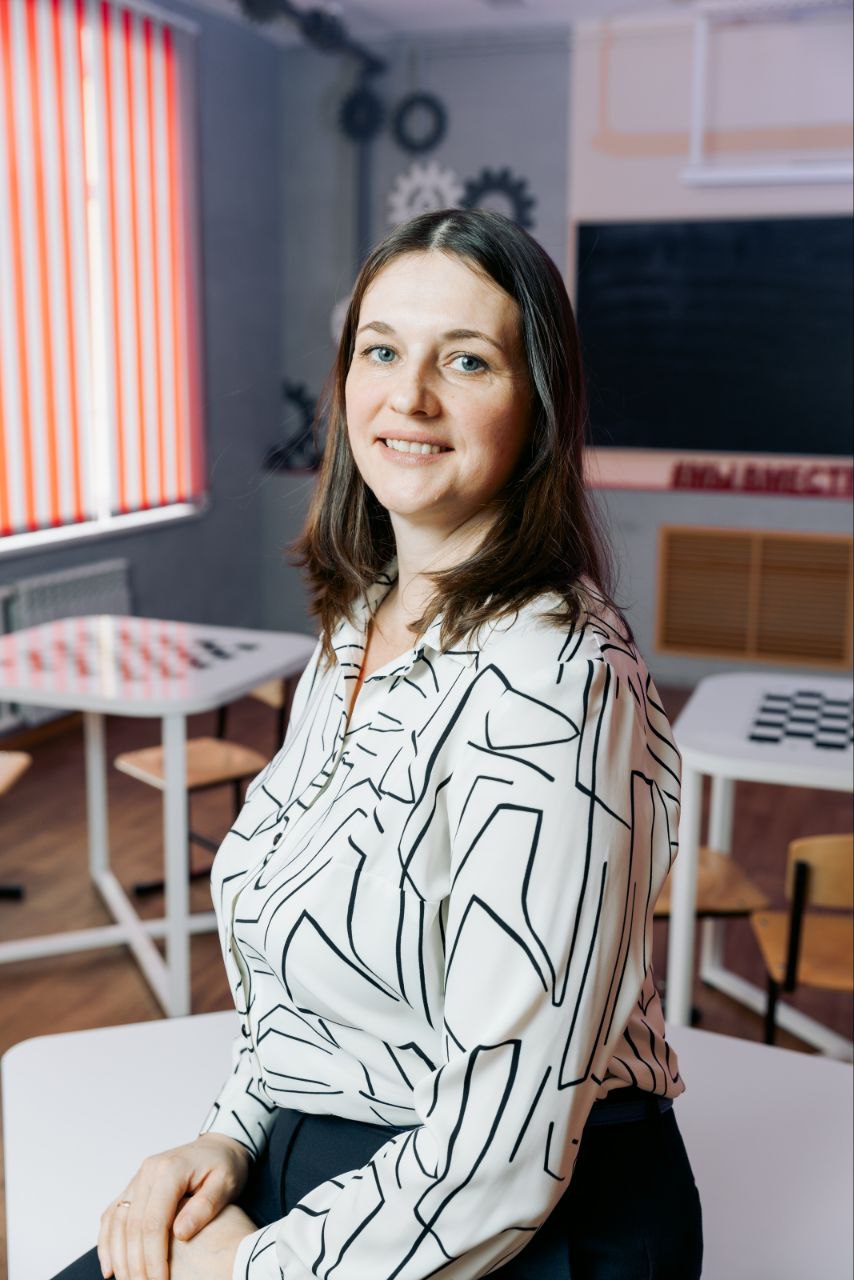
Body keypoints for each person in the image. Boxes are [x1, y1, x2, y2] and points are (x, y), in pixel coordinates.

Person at [55, 208, 703, 1280]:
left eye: (466, 359)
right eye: (382, 350)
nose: (409, 397)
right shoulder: (360, 626)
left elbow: (506, 1144)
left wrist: (250, 1269)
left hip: (528, 1220)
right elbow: (299, 967)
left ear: (539, 407)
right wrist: (227, 1137)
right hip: (349, 1170)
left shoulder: (556, 681)